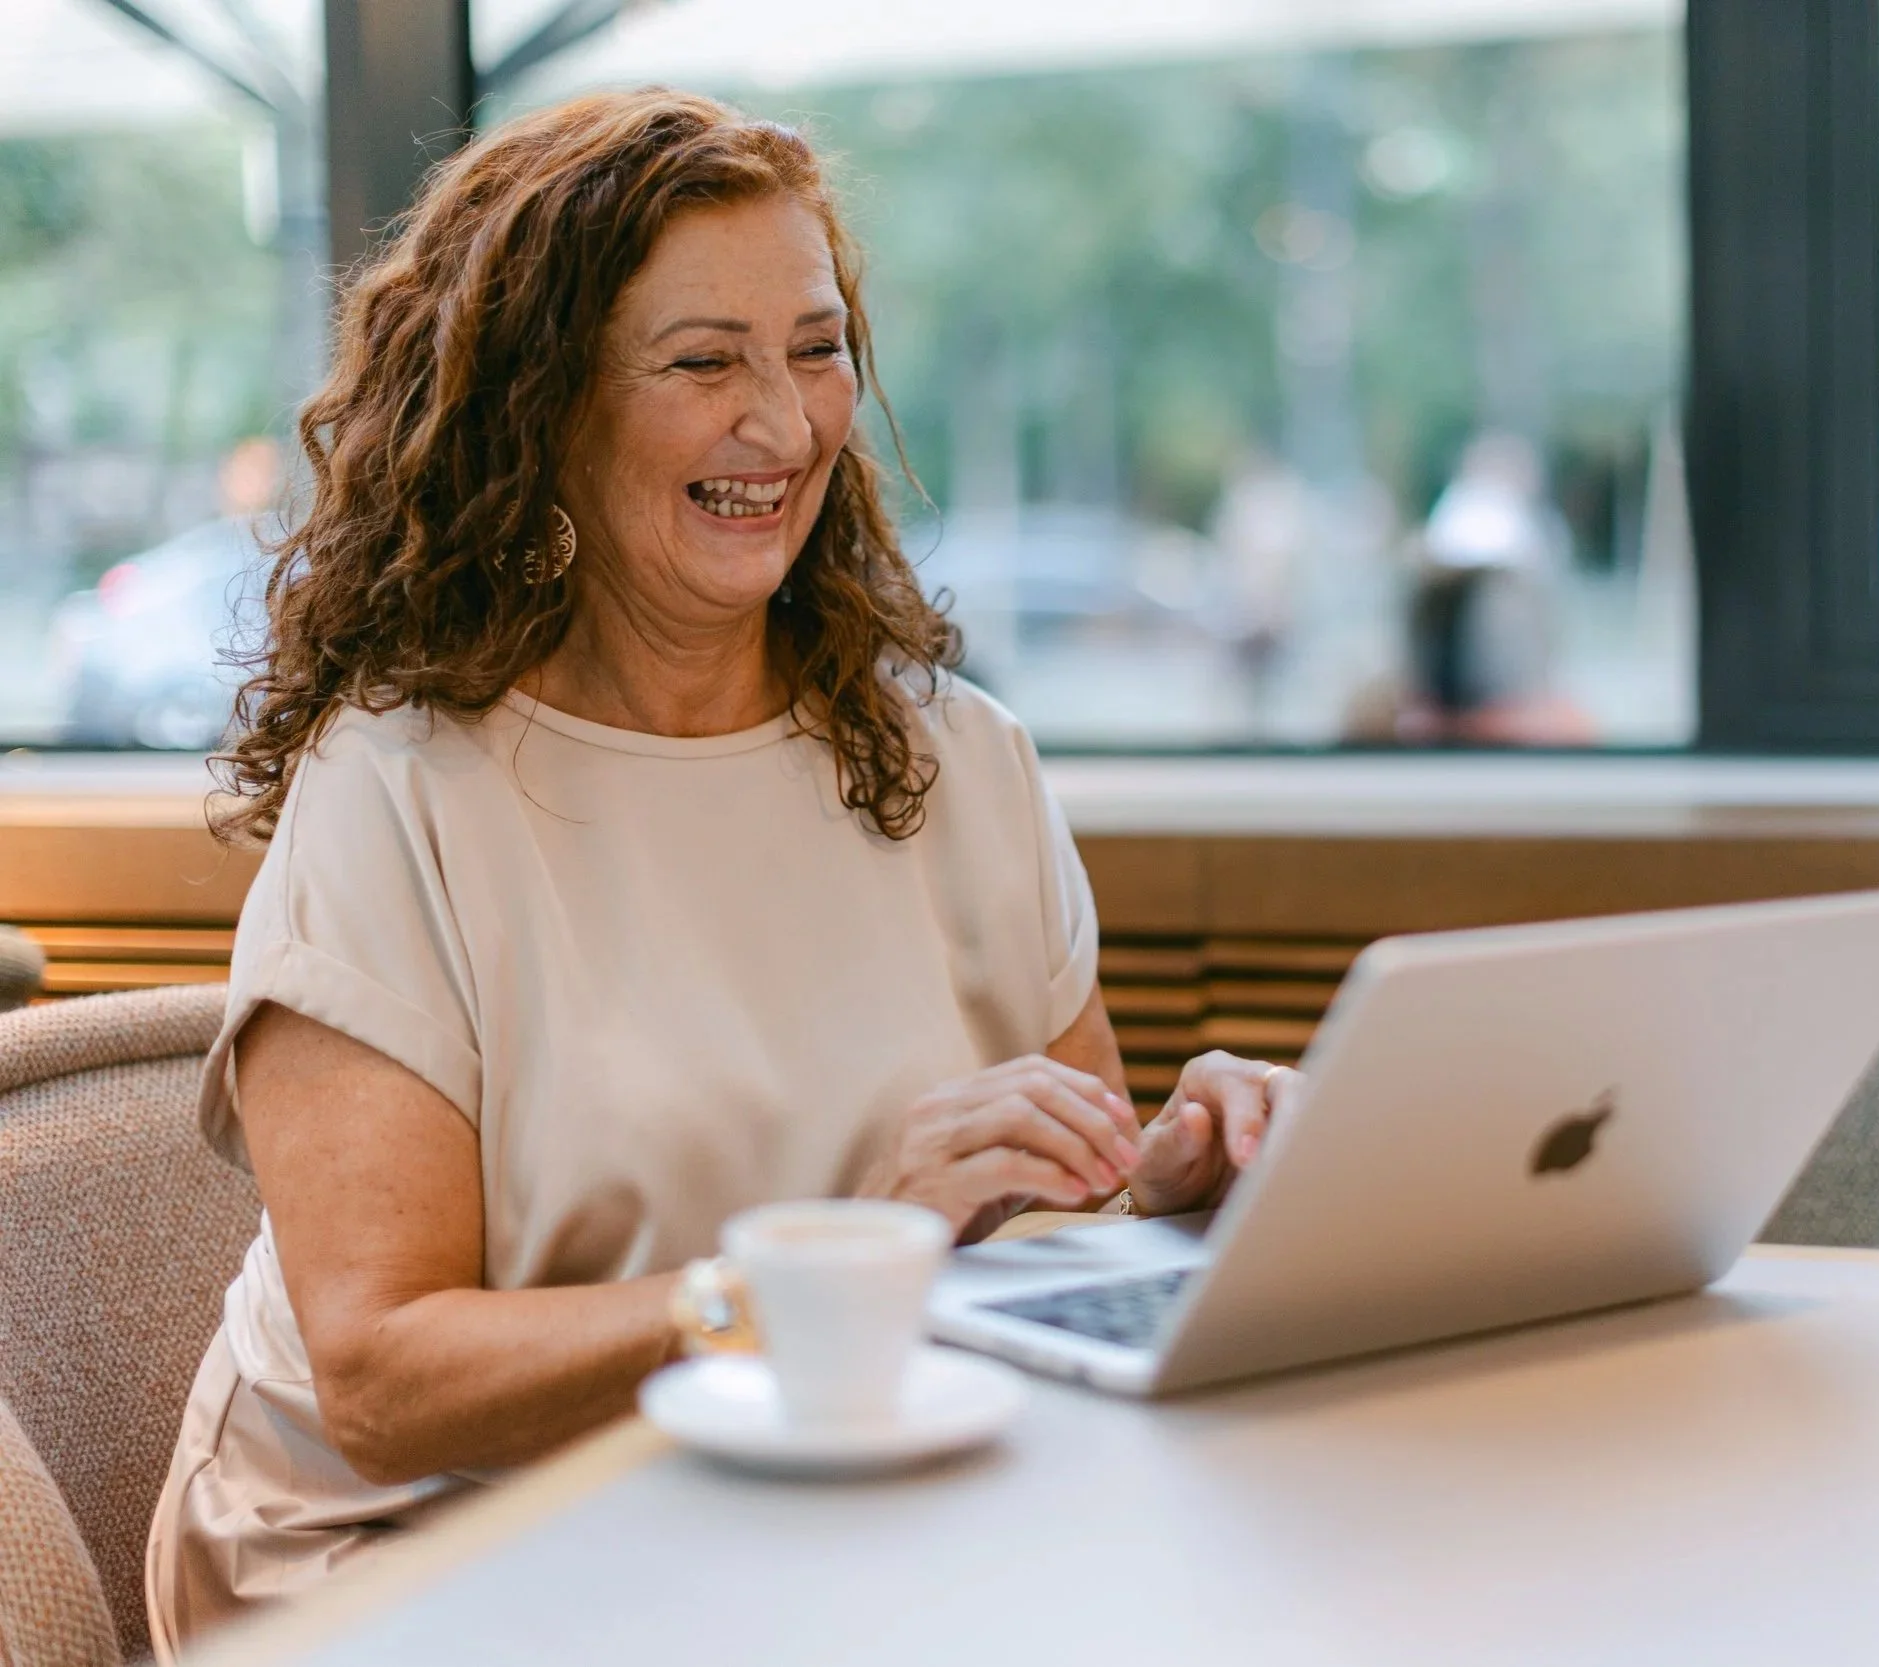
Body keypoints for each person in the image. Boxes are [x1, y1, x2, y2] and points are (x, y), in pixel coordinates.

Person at [144, 91, 1298, 1657]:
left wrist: (1159, 1192)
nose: (785, 421)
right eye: (703, 363)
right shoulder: (400, 787)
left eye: (815, 348)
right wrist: (831, 1267)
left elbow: (1041, 1214)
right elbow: (387, 1378)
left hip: (806, 1507)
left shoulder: (960, 761)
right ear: (540, 407)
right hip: (418, 1553)